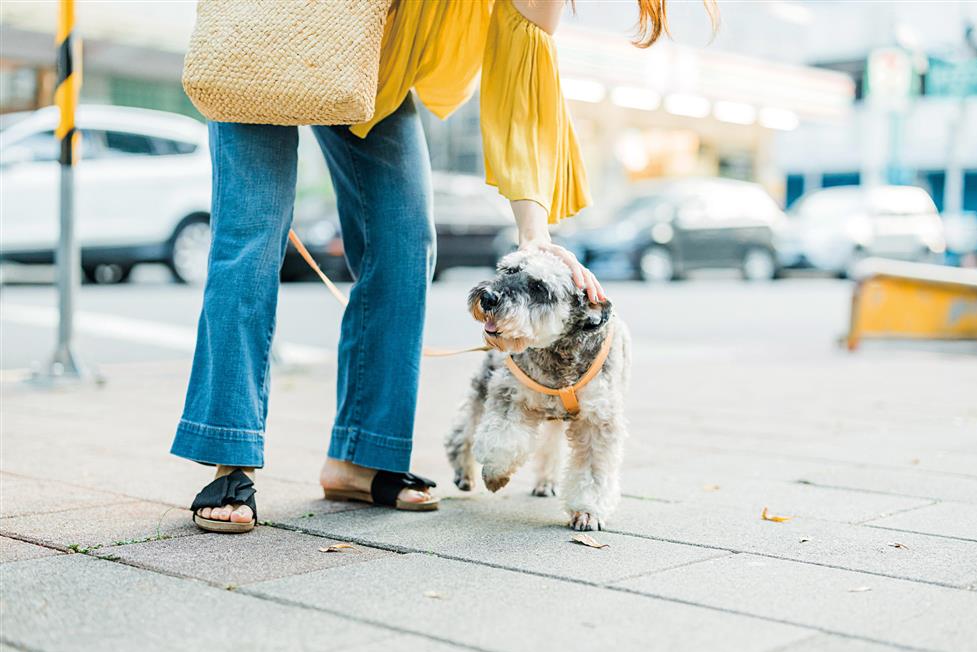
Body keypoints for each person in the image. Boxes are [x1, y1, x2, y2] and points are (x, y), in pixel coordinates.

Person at [174, 0, 693, 532]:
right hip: (262, 33)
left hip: (372, 57)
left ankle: (363, 452)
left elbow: (522, 79)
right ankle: (229, 455)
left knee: (403, 239)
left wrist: (536, 238)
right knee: (252, 238)